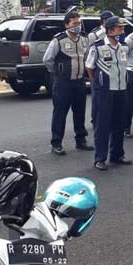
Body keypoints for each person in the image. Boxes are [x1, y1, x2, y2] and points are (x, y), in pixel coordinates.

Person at [43, 11, 92, 156]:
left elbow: (87, 56)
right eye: (74, 23)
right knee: (60, 113)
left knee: (80, 112)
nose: (77, 26)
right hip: (63, 83)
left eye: (79, 23)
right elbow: (47, 59)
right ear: (66, 25)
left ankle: (81, 140)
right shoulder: (59, 40)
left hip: (79, 82)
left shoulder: (84, 38)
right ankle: (56, 143)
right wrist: (58, 72)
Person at [87, 16, 132, 171]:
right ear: (110, 30)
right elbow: (90, 67)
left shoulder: (123, 47)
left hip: (121, 90)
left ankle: (117, 154)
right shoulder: (97, 47)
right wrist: (98, 83)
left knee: (119, 124)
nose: (122, 31)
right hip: (104, 91)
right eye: (120, 28)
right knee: (102, 125)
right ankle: (100, 158)